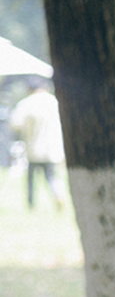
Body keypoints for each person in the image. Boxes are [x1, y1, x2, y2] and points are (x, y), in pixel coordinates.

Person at [10, 78, 65, 211]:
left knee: (30, 179)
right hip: (52, 149)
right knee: (51, 176)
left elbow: (15, 124)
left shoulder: (26, 103)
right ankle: (57, 195)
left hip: (33, 149)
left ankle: (31, 204)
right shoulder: (54, 102)